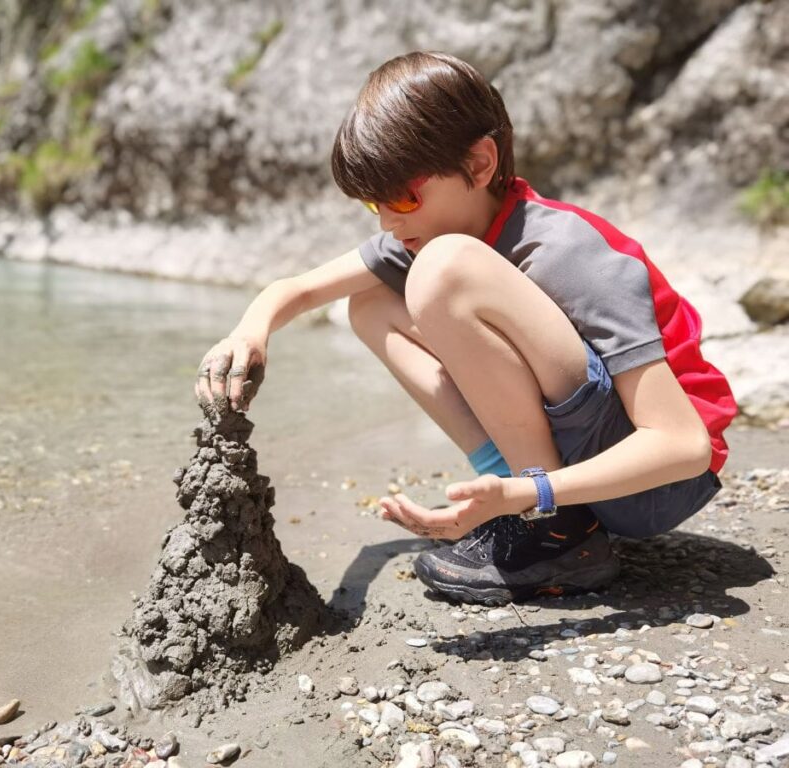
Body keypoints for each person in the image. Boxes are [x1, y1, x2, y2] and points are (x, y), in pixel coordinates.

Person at [193, 51, 737, 606]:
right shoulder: (428, 233)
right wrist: (250, 332)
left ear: (479, 165)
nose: (388, 221)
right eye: (372, 203)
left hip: (658, 485)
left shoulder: (565, 251)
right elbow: (299, 289)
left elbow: (684, 445)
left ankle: (550, 526)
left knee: (441, 267)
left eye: (403, 197)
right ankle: (533, 509)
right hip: (593, 460)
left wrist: (532, 491)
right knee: (371, 303)